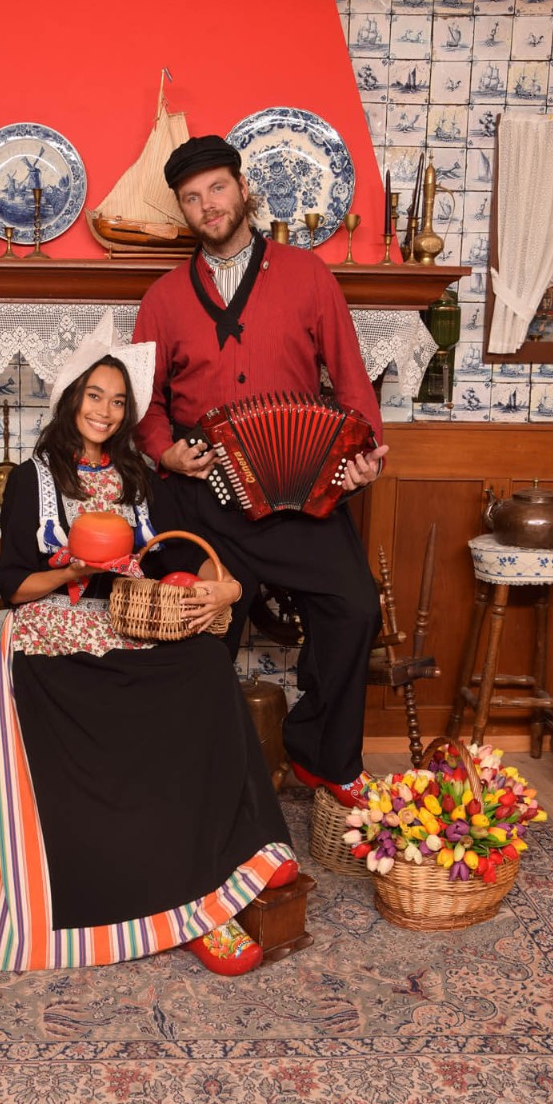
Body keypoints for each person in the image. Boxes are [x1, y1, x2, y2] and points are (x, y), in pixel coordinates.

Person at [0, 311, 297, 977]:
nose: (105, 410)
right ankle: (167, 892)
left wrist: (216, 586)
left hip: (124, 623)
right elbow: (15, 585)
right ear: (71, 398)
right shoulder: (32, 479)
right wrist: (75, 571)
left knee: (202, 666)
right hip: (50, 626)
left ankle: (234, 858)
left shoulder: (140, 481)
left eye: (117, 401)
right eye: (94, 395)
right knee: (110, 694)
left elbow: (167, 562)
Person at [132, 135, 390, 809]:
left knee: (355, 607)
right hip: (198, 496)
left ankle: (320, 754)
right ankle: (195, 774)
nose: (206, 205)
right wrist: (165, 452)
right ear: (184, 212)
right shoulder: (161, 298)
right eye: (191, 198)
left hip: (298, 494)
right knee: (194, 629)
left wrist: (363, 458)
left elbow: (354, 386)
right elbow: (144, 405)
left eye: (216, 188)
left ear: (242, 190)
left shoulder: (309, 276)